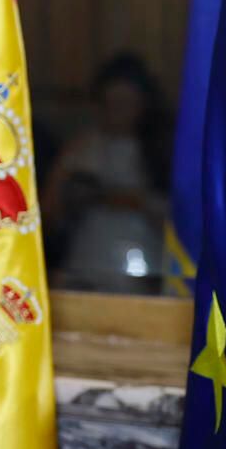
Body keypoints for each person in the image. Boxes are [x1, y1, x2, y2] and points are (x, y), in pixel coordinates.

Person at [42, 51, 172, 293]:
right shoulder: (82, 148)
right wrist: (68, 186)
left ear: (144, 104)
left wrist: (128, 200)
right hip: (85, 267)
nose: (117, 112)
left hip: (143, 268)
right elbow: (49, 213)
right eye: (111, 104)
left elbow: (178, 218)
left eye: (126, 104)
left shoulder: (161, 151)